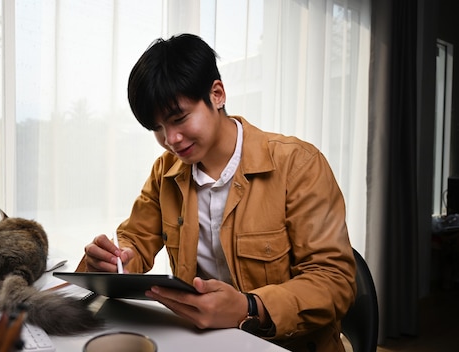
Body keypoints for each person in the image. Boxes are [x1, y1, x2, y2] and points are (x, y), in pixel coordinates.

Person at [78, 33, 356, 352]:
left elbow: (334, 281)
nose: (171, 139)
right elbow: (136, 240)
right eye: (157, 128)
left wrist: (249, 308)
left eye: (179, 118)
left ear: (217, 94)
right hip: (206, 343)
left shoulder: (298, 164)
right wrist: (118, 261)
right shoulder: (164, 172)